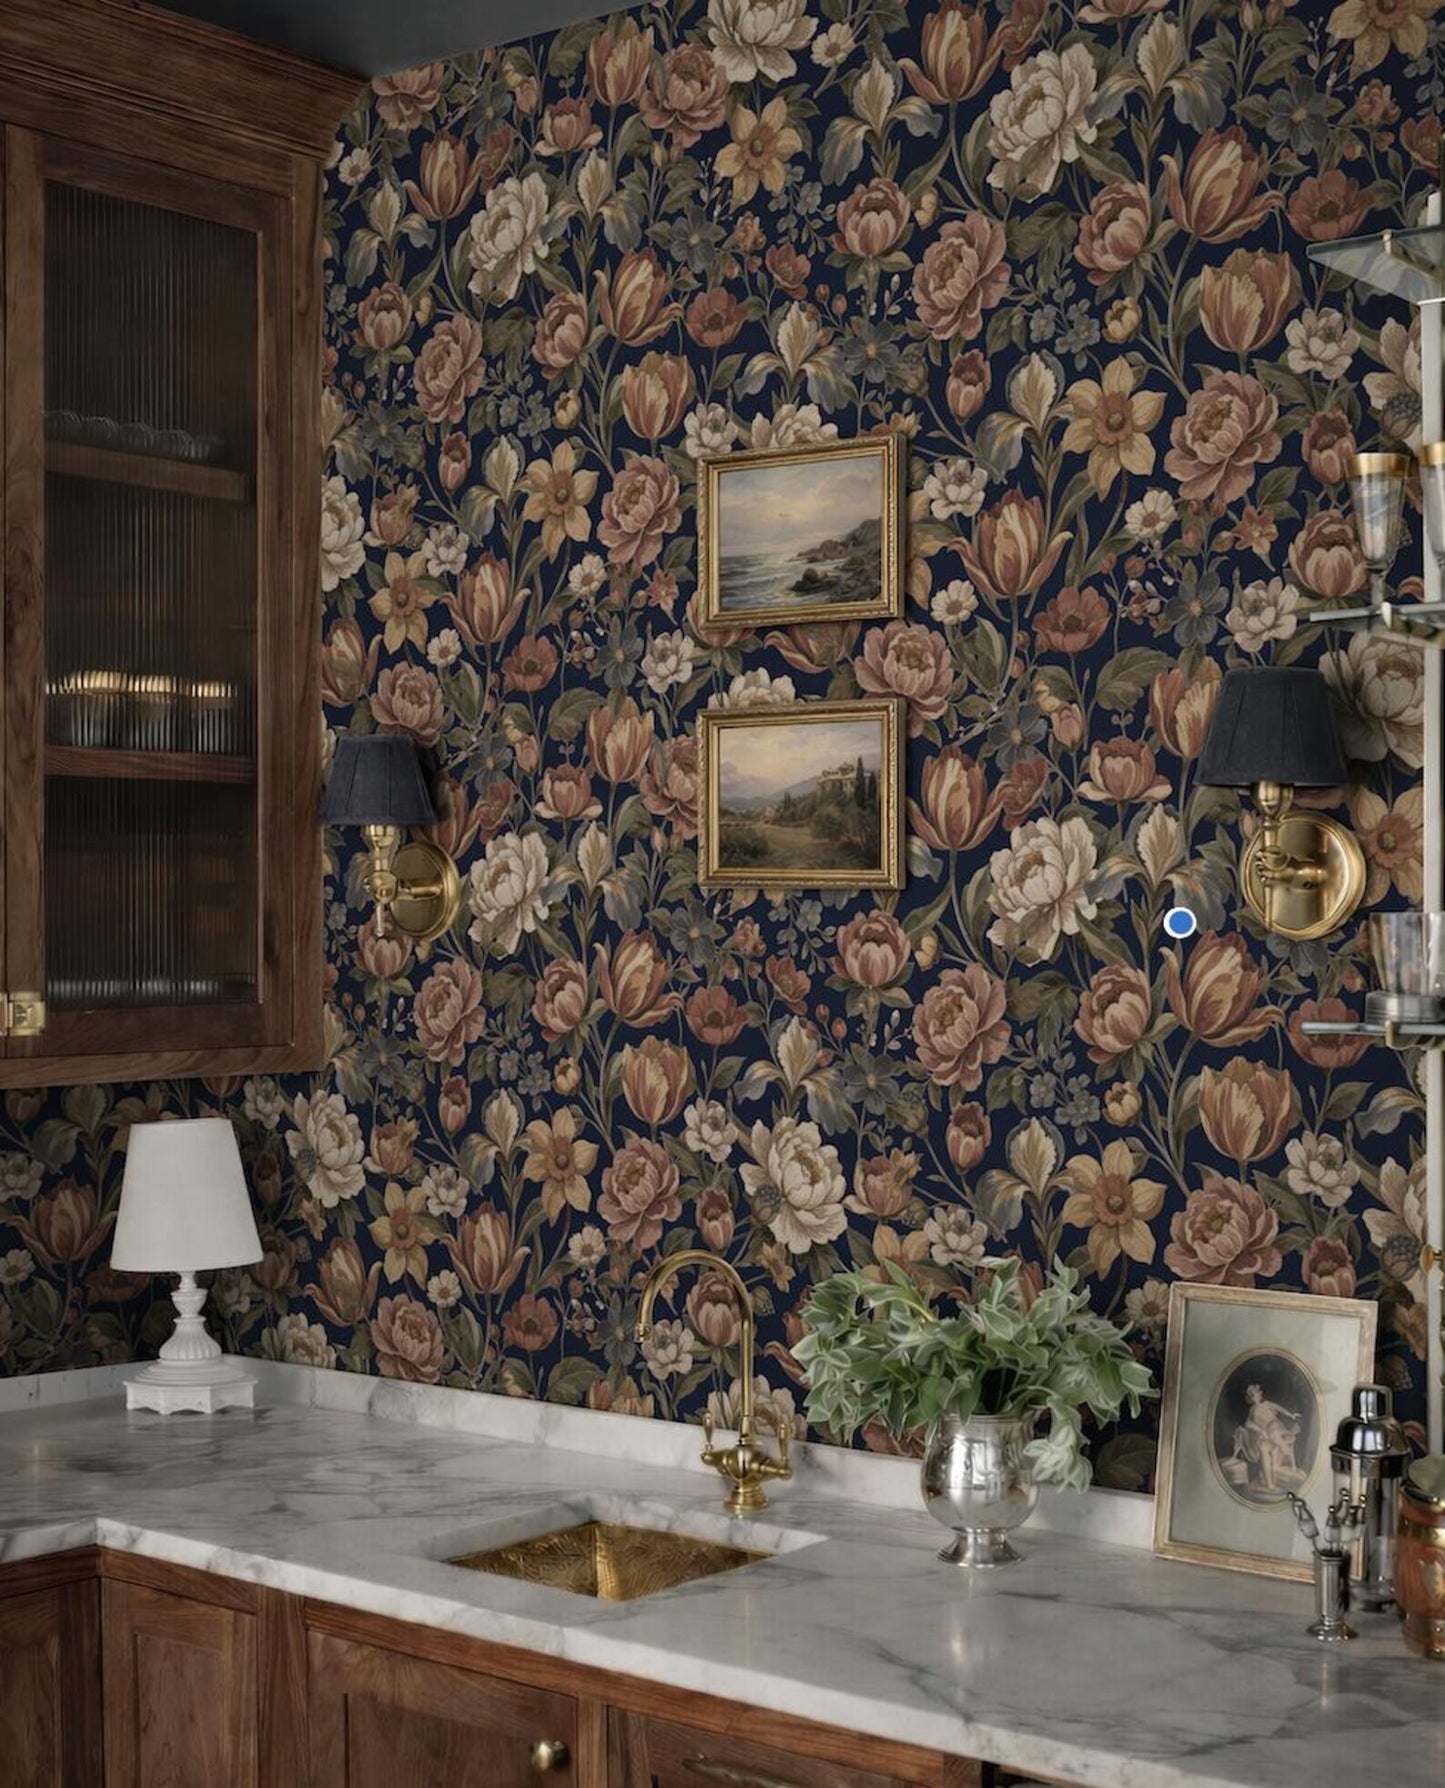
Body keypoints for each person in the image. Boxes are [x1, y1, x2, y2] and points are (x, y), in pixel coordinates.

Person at [1231, 1382, 1303, 1494]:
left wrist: (1290, 1415)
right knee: (1264, 1449)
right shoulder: (1252, 1410)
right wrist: (1260, 1430)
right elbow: (1248, 1424)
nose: (1258, 1395)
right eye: (1254, 1395)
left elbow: (1279, 1408)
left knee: (1274, 1431)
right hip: (1263, 1436)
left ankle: (1283, 1449)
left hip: (1276, 1430)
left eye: (1257, 1393)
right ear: (1250, 1398)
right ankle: (1269, 1484)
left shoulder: (1267, 1404)